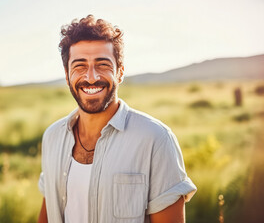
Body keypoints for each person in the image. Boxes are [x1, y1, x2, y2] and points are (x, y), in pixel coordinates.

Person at [38, 15, 196, 223]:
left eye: (102, 64)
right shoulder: (52, 137)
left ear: (120, 72)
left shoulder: (155, 139)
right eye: (80, 66)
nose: (91, 77)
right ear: (67, 75)